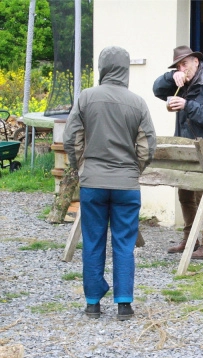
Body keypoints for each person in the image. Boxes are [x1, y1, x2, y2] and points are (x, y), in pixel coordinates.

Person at [63, 46, 157, 320]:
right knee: (124, 244)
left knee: (92, 241)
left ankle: (93, 303)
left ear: (101, 68)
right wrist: (133, 170)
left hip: (93, 182)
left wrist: (81, 167)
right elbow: (147, 147)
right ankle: (124, 304)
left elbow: (71, 139)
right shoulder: (137, 103)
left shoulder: (86, 98)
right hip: (126, 184)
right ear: (125, 69)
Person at [153, 45, 203, 259]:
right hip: (185, 147)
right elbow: (157, 90)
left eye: (184, 63)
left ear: (196, 61)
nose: (181, 68)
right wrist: (171, 76)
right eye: (177, 65)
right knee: (184, 193)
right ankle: (189, 240)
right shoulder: (182, 82)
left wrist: (187, 105)